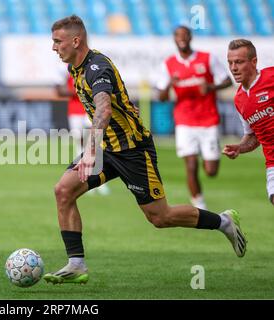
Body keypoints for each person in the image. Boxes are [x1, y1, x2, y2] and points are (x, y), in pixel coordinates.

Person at [43, 15, 247, 285]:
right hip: (108, 148)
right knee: (63, 190)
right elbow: (115, 102)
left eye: (58, 41)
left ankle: (223, 222)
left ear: (76, 40)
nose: (54, 47)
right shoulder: (77, 68)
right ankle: (76, 264)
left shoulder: (96, 68)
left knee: (160, 217)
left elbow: (103, 108)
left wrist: (90, 149)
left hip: (132, 151)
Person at [156, 26, 233, 210]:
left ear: (190, 37)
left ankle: (208, 158)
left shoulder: (207, 58)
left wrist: (211, 87)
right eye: (178, 35)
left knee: (211, 171)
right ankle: (200, 207)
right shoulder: (168, 65)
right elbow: (161, 97)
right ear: (174, 39)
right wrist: (169, 86)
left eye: (185, 35)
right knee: (190, 166)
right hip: (185, 121)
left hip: (208, 119)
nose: (181, 38)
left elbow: (228, 80)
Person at [223, 39, 274, 205]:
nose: (233, 68)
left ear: (254, 62)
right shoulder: (239, 99)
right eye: (230, 63)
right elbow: (253, 137)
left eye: (239, 62)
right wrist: (239, 147)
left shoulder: (271, 77)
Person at [56, 72, 111, 195]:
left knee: (94, 143)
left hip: (90, 110)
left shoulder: (89, 66)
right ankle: (82, 180)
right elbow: (59, 91)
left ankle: (101, 181)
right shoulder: (65, 68)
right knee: (79, 144)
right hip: (74, 111)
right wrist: (80, 90)